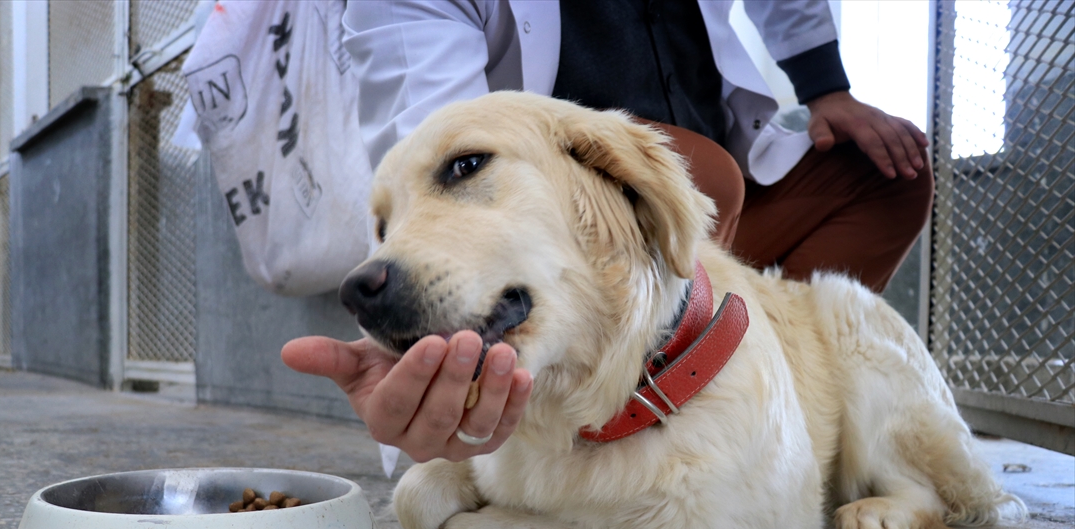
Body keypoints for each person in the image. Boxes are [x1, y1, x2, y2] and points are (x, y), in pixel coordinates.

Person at [281, 0, 932, 464]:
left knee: (885, 173)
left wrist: (826, 88)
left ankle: (780, 416)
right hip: (589, 226)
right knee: (706, 174)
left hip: (716, 206)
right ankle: (631, 413)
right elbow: (427, 145)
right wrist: (424, 327)